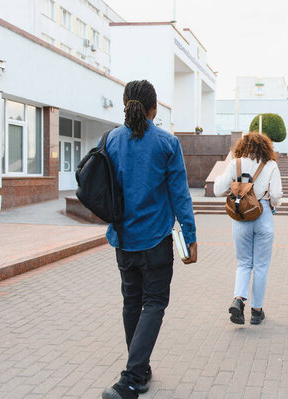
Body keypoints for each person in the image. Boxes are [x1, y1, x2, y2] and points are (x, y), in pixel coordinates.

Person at [102, 80, 197, 399]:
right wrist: (190, 235)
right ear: (154, 108)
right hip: (156, 240)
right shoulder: (167, 143)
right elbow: (180, 195)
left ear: (126, 104)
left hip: (124, 241)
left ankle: (139, 369)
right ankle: (131, 379)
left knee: (131, 301)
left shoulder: (112, 140)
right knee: (154, 303)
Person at [213, 133, 283, 325]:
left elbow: (217, 190)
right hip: (263, 214)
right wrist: (273, 203)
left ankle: (238, 299)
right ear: (266, 147)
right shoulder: (270, 165)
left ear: (242, 146)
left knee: (244, 263)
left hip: (241, 217)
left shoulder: (235, 163)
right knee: (261, 266)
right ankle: (256, 311)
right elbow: (276, 194)